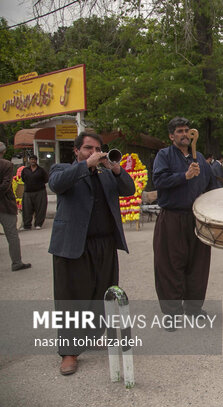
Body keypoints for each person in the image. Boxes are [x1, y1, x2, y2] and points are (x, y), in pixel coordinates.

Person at [48, 132, 135, 375]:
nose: (94, 152)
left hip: (104, 244)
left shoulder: (107, 173)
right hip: (73, 245)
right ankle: (69, 352)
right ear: (76, 151)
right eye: (88, 148)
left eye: (98, 148)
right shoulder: (63, 168)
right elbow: (56, 184)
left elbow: (129, 189)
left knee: (102, 294)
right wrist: (86, 165)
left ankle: (92, 336)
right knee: (71, 298)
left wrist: (115, 168)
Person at [152, 117, 217, 330]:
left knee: (198, 266)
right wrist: (184, 175)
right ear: (171, 136)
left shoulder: (200, 160)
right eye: (180, 131)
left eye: (187, 130)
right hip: (172, 217)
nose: (185, 134)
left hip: (197, 220)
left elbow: (211, 187)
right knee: (170, 266)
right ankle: (171, 314)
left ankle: (194, 309)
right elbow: (159, 181)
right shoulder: (164, 155)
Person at [0, 142, 31, 272]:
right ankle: (16, 262)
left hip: (5, 204)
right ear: (3, 152)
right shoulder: (7, 165)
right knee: (12, 235)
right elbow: (6, 186)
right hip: (5, 205)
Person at [20, 154, 49, 230]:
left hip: (40, 191)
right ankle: (27, 225)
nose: (33, 161)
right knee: (27, 209)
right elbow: (23, 179)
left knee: (40, 208)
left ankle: (38, 224)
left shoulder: (41, 170)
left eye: (34, 159)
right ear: (29, 161)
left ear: (36, 161)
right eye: (31, 159)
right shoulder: (25, 170)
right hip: (28, 192)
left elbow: (46, 179)